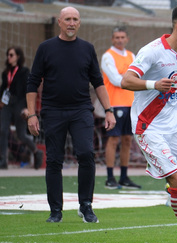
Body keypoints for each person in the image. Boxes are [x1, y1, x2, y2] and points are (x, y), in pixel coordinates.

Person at [121, 4, 177, 243]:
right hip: (149, 126)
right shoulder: (152, 51)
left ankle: (174, 190)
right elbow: (126, 80)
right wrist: (153, 84)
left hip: (176, 125)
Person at [26, 7, 116, 223]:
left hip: (81, 110)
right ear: (59, 22)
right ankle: (55, 211)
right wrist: (31, 114)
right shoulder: (45, 48)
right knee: (54, 160)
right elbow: (33, 82)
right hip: (53, 111)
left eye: (75, 19)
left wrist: (109, 110)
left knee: (86, 154)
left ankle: (86, 205)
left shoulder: (87, 48)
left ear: (79, 23)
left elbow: (98, 82)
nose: (71, 23)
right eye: (67, 19)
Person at [101, 26, 141, 189]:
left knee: (127, 140)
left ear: (127, 39)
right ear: (112, 39)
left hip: (131, 103)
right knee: (113, 140)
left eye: (122, 37)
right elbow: (116, 80)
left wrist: (131, 79)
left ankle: (124, 177)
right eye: (116, 37)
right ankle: (110, 177)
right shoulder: (107, 56)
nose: (119, 40)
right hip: (114, 104)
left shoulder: (132, 55)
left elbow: (139, 75)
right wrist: (130, 79)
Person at [0, 47, 43, 170]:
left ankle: (36, 151)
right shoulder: (5, 73)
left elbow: (27, 90)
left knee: (21, 133)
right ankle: (3, 159)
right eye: (8, 54)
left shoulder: (24, 72)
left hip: (20, 103)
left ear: (18, 56)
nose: (9, 57)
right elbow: (3, 88)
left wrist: (27, 108)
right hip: (8, 104)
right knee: (3, 130)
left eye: (11, 55)